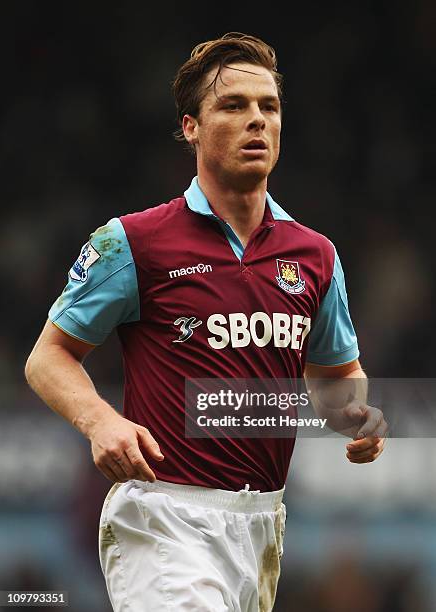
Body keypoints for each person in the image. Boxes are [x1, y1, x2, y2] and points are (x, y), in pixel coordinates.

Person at [25, 32, 387, 612]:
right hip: (164, 516)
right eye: (234, 105)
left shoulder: (316, 255)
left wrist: (356, 415)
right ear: (191, 126)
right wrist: (99, 422)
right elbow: (47, 357)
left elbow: (337, 377)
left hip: (262, 523)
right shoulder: (134, 243)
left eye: (268, 107)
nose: (257, 121)